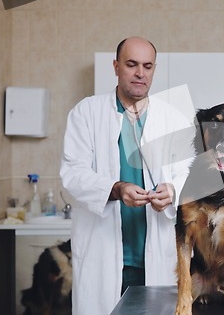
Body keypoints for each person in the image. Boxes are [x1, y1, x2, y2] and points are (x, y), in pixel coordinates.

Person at [60, 36, 193, 315]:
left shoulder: (174, 118)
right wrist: (117, 188)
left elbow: (190, 172)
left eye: (147, 66)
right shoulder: (87, 112)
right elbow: (73, 174)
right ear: (116, 67)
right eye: (131, 64)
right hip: (104, 254)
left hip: (159, 256)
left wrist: (173, 191)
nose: (140, 73)